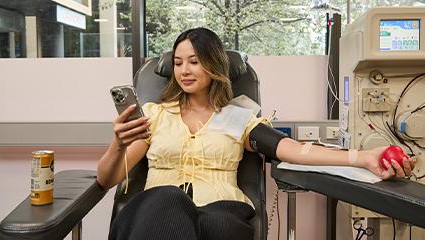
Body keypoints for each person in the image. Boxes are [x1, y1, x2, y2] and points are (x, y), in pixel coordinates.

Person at [97, 27, 415, 240]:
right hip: (156, 208)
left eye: (194, 61)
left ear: (213, 65)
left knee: (217, 225)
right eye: (179, 62)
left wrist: (364, 158)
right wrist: (117, 143)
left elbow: (293, 149)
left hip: (221, 212)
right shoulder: (153, 115)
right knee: (169, 199)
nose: (184, 70)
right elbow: (106, 179)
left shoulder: (239, 119)